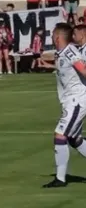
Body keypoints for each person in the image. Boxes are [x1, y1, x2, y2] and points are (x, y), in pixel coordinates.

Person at [40, 23, 86, 188]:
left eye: (53, 34)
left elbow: (84, 70)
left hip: (77, 101)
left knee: (60, 135)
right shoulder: (61, 53)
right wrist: (50, 67)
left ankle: (60, 179)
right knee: (74, 139)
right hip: (69, 101)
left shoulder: (70, 52)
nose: (51, 37)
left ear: (57, 37)